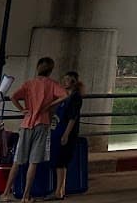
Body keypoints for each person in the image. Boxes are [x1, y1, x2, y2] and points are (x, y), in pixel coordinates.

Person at [11, 58, 69, 202]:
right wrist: (50, 104)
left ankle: (6, 192)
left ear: (37, 67)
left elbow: (13, 97)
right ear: (51, 70)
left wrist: (22, 110)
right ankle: (26, 195)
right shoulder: (52, 84)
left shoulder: (29, 84)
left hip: (26, 123)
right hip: (42, 123)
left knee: (18, 160)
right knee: (34, 162)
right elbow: (64, 95)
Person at [51, 71, 83, 202]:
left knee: (61, 161)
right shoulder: (66, 96)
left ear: (73, 82)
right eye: (64, 79)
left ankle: (59, 191)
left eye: (68, 80)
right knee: (60, 161)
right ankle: (60, 189)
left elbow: (72, 118)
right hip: (59, 129)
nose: (65, 82)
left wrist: (66, 134)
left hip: (67, 131)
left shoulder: (75, 98)